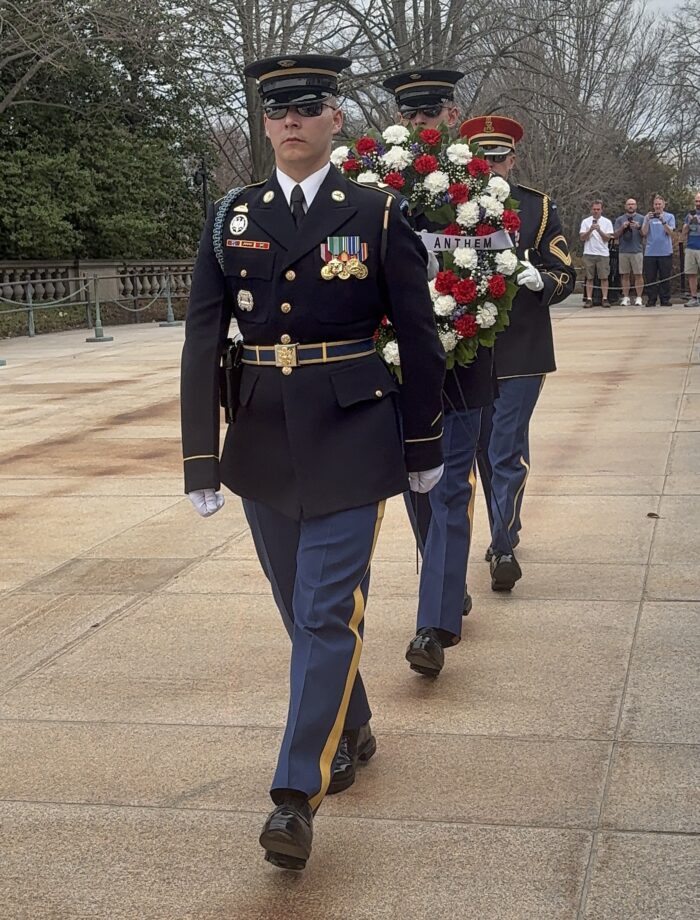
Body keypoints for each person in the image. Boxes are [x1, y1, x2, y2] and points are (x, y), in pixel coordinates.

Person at [180, 54, 445, 871]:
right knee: (299, 606)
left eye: (307, 106)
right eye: (277, 109)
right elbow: (201, 339)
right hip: (263, 436)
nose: (291, 120)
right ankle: (351, 721)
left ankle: (295, 797)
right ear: (265, 124)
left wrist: (424, 444)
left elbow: (419, 336)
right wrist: (200, 457)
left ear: (336, 118)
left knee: (327, 609)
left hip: (352, 433)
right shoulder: (232, 216)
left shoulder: (376, 212)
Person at [381, 69, 496, 677]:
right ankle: (447, 582)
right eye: (411, 114)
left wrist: (458, 322)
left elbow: (496, 268)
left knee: (449, 487)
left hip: (461, 360)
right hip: (396, 365)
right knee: (417, 490)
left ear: (453, 115)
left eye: (431, 113)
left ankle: (433, 626)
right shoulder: (373, 186)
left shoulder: (479, 188)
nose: (421, 123)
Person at [463, 116, 576, 590]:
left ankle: (502, 545)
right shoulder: (452, 206)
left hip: (522, 347)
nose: (491, 166)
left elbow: (565, 272)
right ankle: (504, 524)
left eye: (498, 158)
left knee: (504, 447)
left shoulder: (537, 207)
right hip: (469, 347)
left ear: (513, 160)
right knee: (483, 449)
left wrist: (540, 280)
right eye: (482, 158)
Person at [641, 194, 676, 306]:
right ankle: (651, 299)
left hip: (665, 252)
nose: (657, 206)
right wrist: (647, 220)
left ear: (663, 205)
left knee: (665, 277)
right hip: (650, 252)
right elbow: (644, 233)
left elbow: (670, 232)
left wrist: (663, 221)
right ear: (653, 205)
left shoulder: (670, 216)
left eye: (659, 204)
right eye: (656, 204)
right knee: (650, 277)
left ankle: (665, 299)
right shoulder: (648, 217)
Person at [579, 201, 614, 307]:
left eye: (598, 209)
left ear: (601, 210)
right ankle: (589, 299)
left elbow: (607, 238)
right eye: (594, 209)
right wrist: (590, 230)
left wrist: (599, 230)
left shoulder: (607, 222)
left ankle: (605, 298)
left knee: (604, 277)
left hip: (603, 253)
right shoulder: (585, 221)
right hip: (589, 253)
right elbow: (582, 238)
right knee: (589, 277)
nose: (596, 211)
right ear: (591, 209)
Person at [614, 198, 644, 305]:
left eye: (632, 204)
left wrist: (638, 227)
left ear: (636, 206)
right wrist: (622, 227)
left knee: (638, 275)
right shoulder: (620, 219)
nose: (631, 206)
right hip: (623, 251)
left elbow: (645, 234)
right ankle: (626, 297)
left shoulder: (642, 218)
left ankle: (639, 297)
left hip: (637, 250)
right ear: (625, 206)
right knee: (625, 275)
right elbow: (615, 235)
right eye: (629, 204)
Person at [681, 192, 700, 307]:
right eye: (696, 201)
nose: (698, 203)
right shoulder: (689, 215)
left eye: (699, 201)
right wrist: (688, 224)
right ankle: (694, 297)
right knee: (691, 273)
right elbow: (683, 234)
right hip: (691, 247)